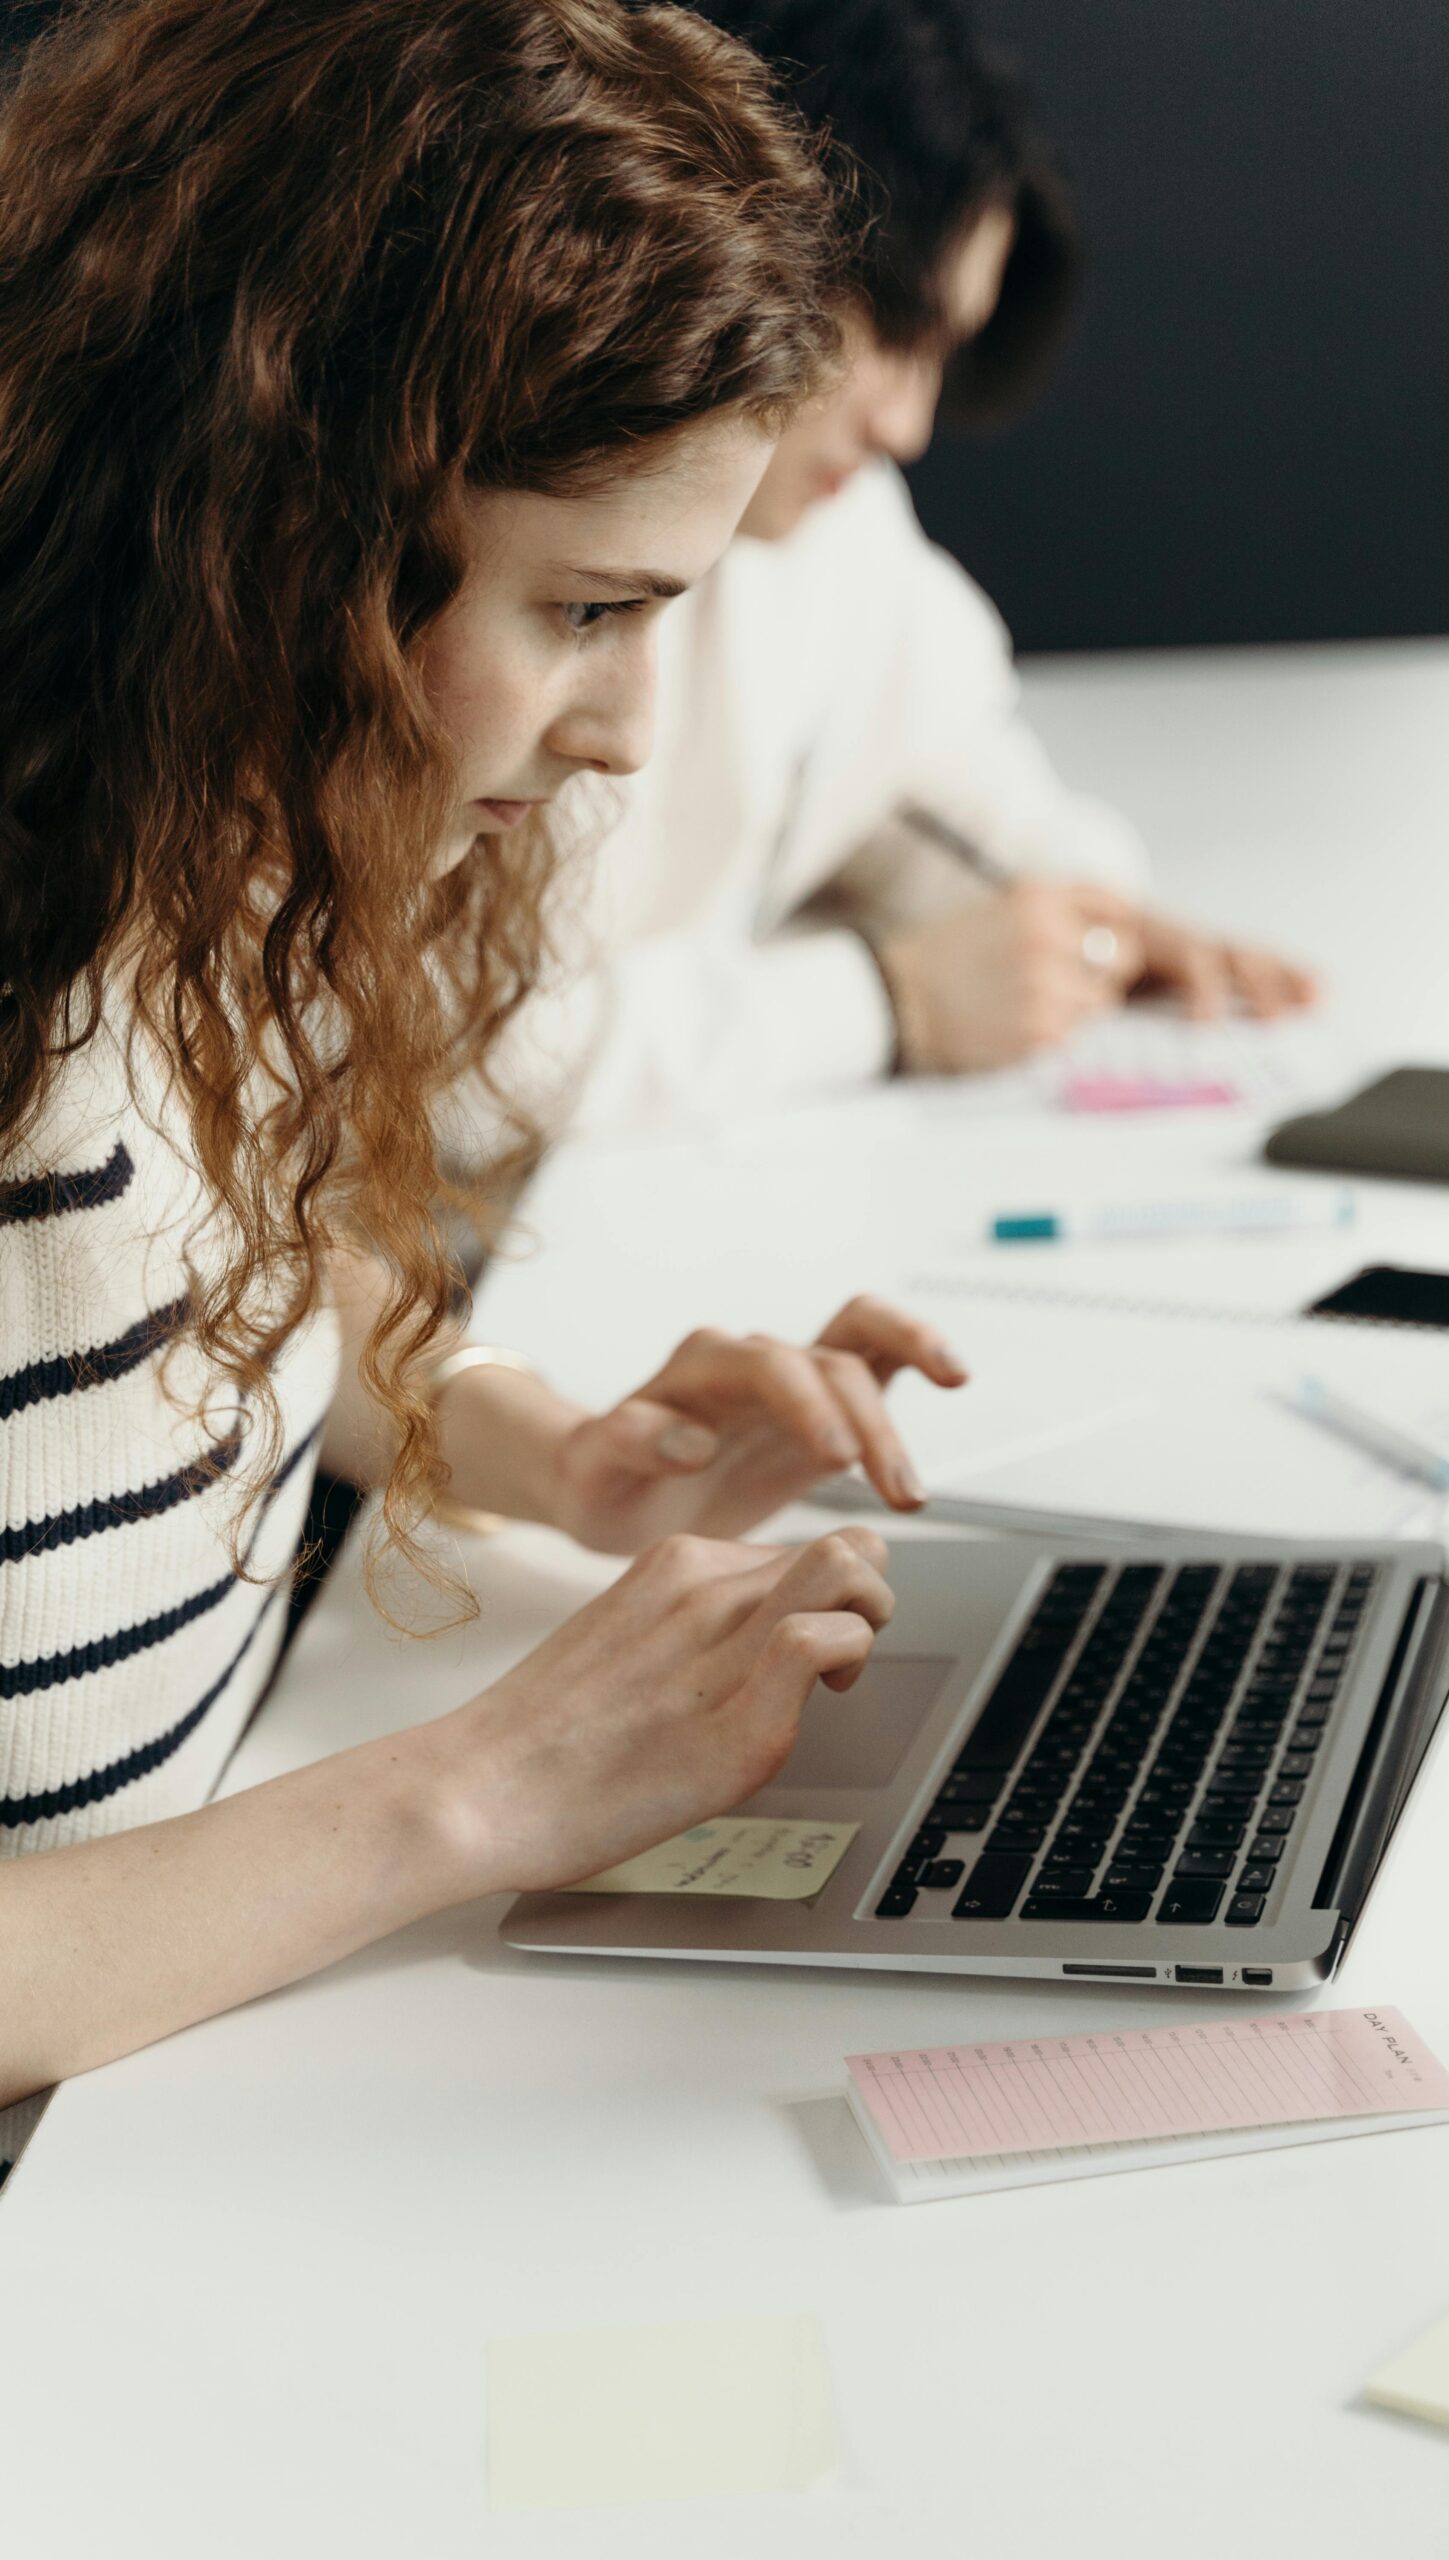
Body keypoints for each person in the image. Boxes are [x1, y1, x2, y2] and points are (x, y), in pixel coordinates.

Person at [0, 0, 969, 2163]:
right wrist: (481, 1785)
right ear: (279, 528)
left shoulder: (217, 858)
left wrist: (550, 1445)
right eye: (586, 611)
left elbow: (228, 1279)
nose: (626, 727)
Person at [468, 0, 1317, 1144]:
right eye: (896, 327)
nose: (910, 426)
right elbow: (446, 1059)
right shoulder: (509, 521)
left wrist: (1088, 919)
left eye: (945, 355)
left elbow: (944, 768)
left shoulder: (834, 530)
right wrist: (889, 1001)